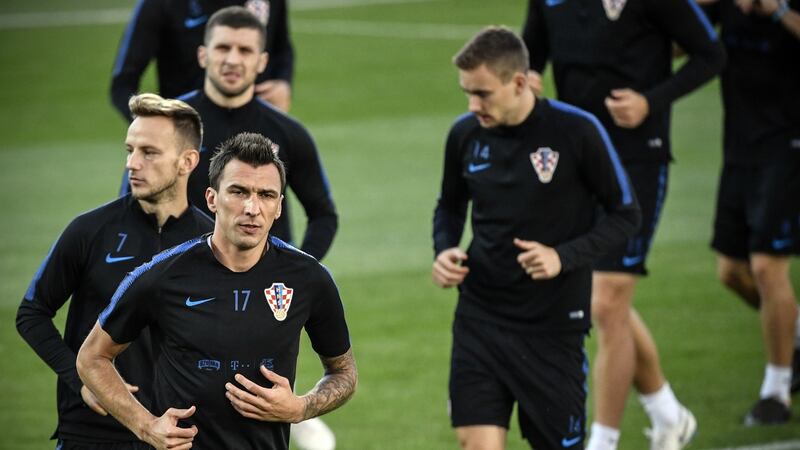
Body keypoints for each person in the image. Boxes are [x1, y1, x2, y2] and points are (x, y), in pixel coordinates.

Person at [522, 2, 726, 449]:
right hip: (574, 159)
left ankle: (604, 440)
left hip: (636, 159)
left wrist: (650, 101)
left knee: (606, 301)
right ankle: (667, 413)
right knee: (599, 299)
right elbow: (530, 58)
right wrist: (528, 80)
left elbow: (712, 54)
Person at [77, 132, 357, 450]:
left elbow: (344, 373)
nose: (252, 207)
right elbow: (91, 357)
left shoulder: (309, 279)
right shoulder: (160, 275)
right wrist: (146, 427)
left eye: (266, 195)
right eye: (239, 191)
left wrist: (301, 407)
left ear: (279, 207)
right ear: (212, 198)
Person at [433, 26, 641, 450]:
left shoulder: (577, 131)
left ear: (520, 83)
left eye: (483, 94)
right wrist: (445, 248)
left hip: (552, 327)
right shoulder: (464, 135)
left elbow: (626, 214)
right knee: (476, 443)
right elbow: (450, 205)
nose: (473, 105)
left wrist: (562, 257)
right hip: (481, 318)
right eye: (467, 93)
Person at [16, 93, 213, 449]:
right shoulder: (89, 230)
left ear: (187, 162)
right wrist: (81, 381)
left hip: (175, 436)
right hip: (91, 433)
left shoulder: (210, 243)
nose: (132, 164)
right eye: (129, 150)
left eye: (148, 152)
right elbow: (32, 313)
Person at [120, 6, 338, 261]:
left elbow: (323, 215)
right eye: (223, 48)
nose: (232, 60)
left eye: (245, 51)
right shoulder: (167, 126)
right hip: (184, 284)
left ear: (262, 62)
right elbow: (131, 208)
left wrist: (298, 269)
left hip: (261, 284)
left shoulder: (287, 132)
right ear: (203, 55)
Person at [700, 0, 800, 425]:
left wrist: (776, 10)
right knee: (731, 271)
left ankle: (776, 393)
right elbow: (676, 43)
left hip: (790, 142)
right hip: (740, 145)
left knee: (765, 267)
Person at [111, 0, 294, 121]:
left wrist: (283, 83)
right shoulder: (162, 3)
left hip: (254, 133)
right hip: (187, 142)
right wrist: (153, 127)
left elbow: (282, 47)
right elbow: (123, 83)